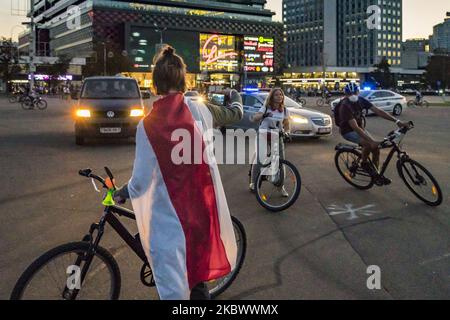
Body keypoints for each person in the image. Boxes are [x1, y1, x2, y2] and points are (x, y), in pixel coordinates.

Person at [113, 46, 243, 300]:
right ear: (183, 80)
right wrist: (235, 96)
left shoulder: (147, 125)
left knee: (174, 293)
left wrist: (121, 192)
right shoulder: (202, 110)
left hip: (169, 225)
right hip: (201, 214)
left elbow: (139, 184)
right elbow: (235, 114)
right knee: (197, 281)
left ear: (155, 83)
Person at [336, 83, 409, 182]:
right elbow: (355, 127)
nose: (352, 95)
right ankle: (364, 163)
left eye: (354, 92)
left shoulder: (361, 100)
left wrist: (397, 121)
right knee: (369, 144)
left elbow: (378, 111)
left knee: (376, 149)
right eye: (349, 93)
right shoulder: (345, 106)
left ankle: (376, 174)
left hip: (360, 128)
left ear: (358, 92)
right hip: (348, 131)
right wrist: (371, 141)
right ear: (346, 94)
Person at [249, 87, 290, 196]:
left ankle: (281, 186)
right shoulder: (266, 107)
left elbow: (286, 123)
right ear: (272, 97)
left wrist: (287, 132)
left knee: (281, 161)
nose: (279, 96)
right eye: (276, 95)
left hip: (277, 135)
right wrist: (264, 115)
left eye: (281, 95)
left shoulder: (284, 110)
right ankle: (253, 183)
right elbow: (255, 118)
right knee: (259, 159)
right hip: (263, 134)